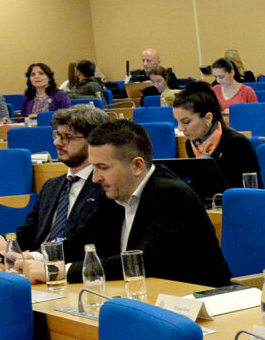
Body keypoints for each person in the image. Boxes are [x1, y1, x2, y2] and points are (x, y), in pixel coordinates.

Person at [73, 120, 231, 286]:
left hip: (198, 295)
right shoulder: (115, 194)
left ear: (137, 166)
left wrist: (67, 270)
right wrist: (52, 261)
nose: (95, 178)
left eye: (103, 167)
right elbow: (78, 243)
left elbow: (143, 261)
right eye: (94, 168)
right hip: (147, 292)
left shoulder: (171, 195)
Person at [0, 104, 110, 265]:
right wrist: (2, 243)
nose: (57, 142)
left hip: (73, 269)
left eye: (67, 137)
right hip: (34, 267)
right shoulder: (52, 186)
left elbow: (86, 243)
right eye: (57, 135)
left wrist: (34, 257)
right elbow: (29, 233)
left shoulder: (106, 186)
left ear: (93, 140)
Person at [173, 86, 260, 198]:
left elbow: (252, 192)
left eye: (186, 122)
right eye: (178, 122)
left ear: (208, 118)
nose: (180, 128)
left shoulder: (237, 144)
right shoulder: (190, 144)